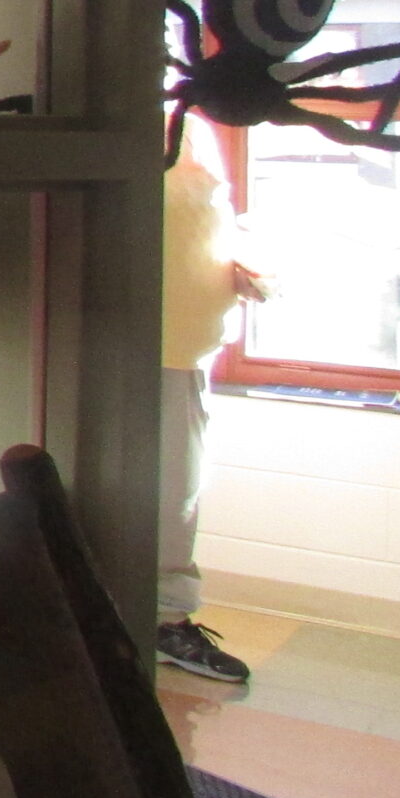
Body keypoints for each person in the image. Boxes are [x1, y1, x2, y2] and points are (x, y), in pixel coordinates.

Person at [155, 122, 262, 684]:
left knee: (179, 494)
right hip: (139, 351)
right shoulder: (124, 123)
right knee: (171, 495)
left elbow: (200, 220)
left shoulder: (188, 125)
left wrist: (240, 266)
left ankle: (161, 620)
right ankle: (161, 622)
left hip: (185, 355)